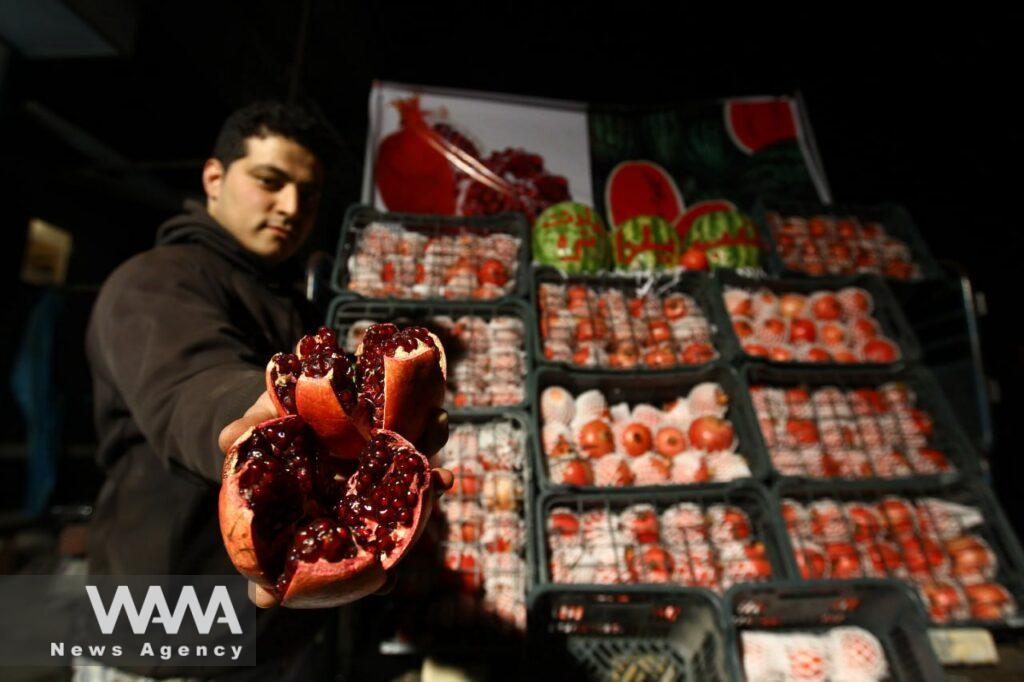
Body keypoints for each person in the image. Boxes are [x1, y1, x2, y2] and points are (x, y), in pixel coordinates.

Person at [82, 101, 450, 680]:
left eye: (308, 192)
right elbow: (188, 388)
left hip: (261, 633)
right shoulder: (154, 283)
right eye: (269, 181)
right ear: (214, 178)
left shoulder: (281, 297)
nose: (291, 207)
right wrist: (254, 417)